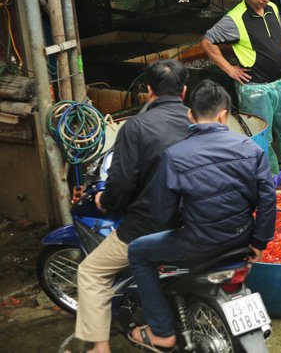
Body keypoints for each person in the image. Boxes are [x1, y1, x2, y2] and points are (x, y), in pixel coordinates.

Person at [126, 80, 276, 351]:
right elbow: (267, 199)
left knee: (137, 252)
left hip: (198, 246)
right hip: (242, 242)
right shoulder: (251, 148)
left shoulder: (174, 156)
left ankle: (161, 332)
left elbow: (162, 215)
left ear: (190, 115)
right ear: (224, 115)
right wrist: (259, 241)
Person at [68, 60, 191, 353]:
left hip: (150, 226)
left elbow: (121, 183)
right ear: (184, 91)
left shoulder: (135, 126)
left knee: (91, 272)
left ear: (148, 91)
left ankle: (99, 348)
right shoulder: (199, 119)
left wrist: (104, 201)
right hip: (199, 221)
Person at [200, 0, 281, 173]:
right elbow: (207, 41)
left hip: (279, 83)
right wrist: (229, 69)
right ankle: (270, 184)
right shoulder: (235, 18)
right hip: (255, 90)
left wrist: (280, 66)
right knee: (262, 140)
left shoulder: (272, 8)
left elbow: (278, 36)